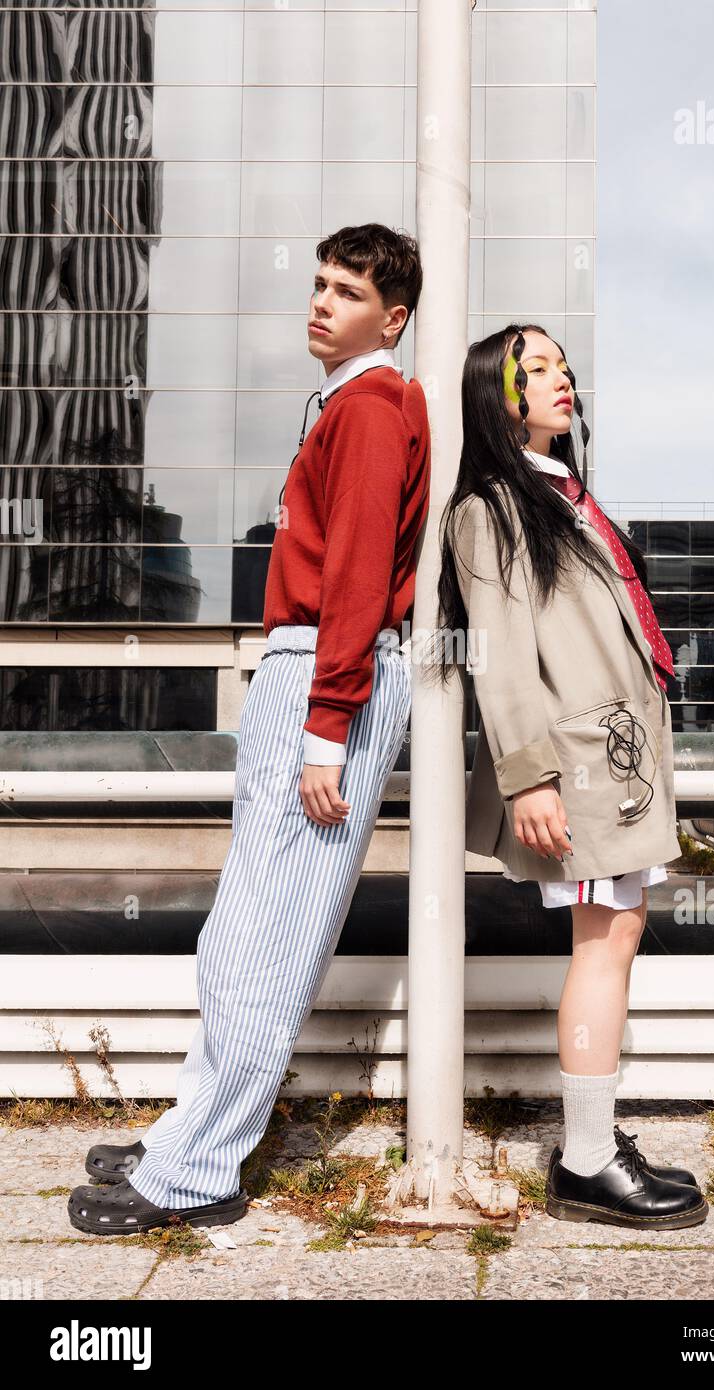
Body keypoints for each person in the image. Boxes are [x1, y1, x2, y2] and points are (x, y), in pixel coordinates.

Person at [68, 224, 431, 1236]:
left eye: (344, 290)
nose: (318, 301)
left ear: (390, 316)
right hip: (310, 665)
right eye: (316, 283)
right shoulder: (346, 403)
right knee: (241, 930)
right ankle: (193, 1134)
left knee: (264, 940)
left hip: (329, 669)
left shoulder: (373, 404)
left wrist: (326, 729)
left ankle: (200, 1173)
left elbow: (358, 570)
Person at [430, 322, 708, 1230]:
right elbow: (501, 661)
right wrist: (528, 778)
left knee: (616, 933)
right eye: (534, 368)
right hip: (578, 770)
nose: (560, 379)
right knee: (607, 939)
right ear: (493, 393)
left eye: (562, 365)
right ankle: (586, 1159)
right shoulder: (490, 508)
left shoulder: (565, 496)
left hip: (615, 763)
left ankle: (594, 1144)